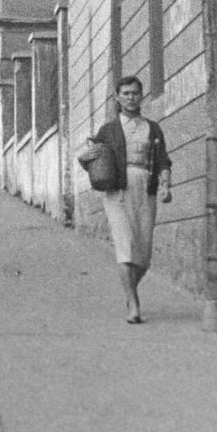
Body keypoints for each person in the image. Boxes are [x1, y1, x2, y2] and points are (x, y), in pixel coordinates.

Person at [83, 75, 172, 324]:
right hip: (118, 191)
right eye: (126, 93)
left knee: (143, 255)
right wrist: (84, 158)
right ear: (117, 98)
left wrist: (165, 184)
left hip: (147, 188)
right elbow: (94, 159)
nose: (131, 97)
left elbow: (164, 160)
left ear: (140, 96)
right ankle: (133, 304)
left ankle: (129, 290)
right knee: (125, 247)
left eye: (135, 93)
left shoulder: (152, 128)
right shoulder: (108, 130)